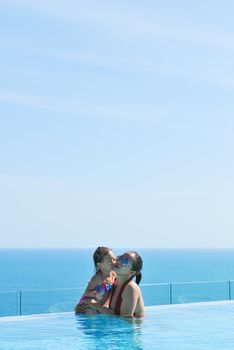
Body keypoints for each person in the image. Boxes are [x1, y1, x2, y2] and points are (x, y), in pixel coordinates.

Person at [83, 251, 144, 318]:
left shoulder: (131, 288)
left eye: (124, 261)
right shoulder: (113, 283)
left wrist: (97, 306)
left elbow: (126, 321)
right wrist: (84, 306)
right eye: (120, 257)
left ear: (132, 272)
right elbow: (103, 305)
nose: (118, 261)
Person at [74, 246, 116, 314]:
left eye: (114, 259)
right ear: (100, 265)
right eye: (109, 262)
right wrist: (97, 294)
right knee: (91, 312)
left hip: (98, 305)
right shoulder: (97, 278)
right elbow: (86, 293)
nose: (113, 262)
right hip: (89, 303)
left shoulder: (113, 275)